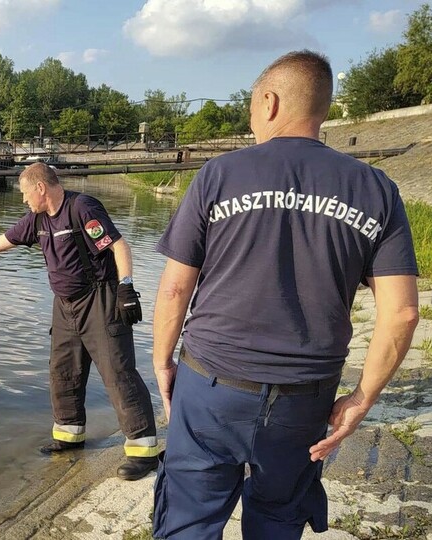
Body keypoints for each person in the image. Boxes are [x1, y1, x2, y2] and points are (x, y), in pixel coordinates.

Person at [151, 50, 419, 539]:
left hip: (210, 385)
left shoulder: (219, 175)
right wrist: (361, 399)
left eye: (252, 108)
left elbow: (174, 287)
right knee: (278, 518)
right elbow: (401, 312)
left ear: (269, 102)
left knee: (189, 518)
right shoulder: (376, 189)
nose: (252, 121)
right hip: (303, 399)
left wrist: (161, 360)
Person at [0, 162, 159, 481]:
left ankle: (143, 451)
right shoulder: (37, 221)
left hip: (99, 300)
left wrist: (126, 287)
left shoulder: (82, 209)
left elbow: (118, 246)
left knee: (117, 371)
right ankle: (69, 435)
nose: (23, 200)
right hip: (64, 305)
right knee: (63, 371)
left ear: (41, 188)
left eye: (25, 193)